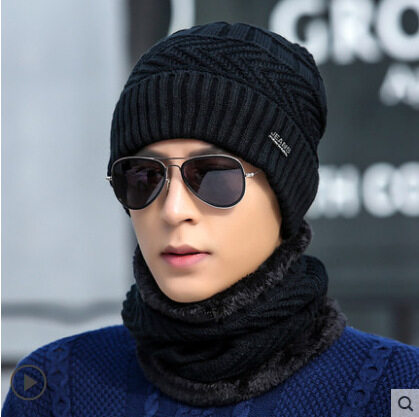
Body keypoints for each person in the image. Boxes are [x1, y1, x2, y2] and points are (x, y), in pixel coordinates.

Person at [3, 21, 418, 417]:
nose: (173, 210)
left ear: (286, 194)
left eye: (214, 176)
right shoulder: (55, 388)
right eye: (144, 177)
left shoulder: (400, 390)